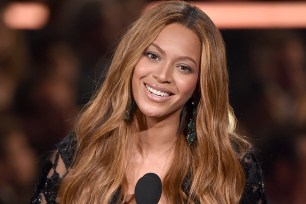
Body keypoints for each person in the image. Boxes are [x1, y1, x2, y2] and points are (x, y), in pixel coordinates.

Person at [31, 1, 266, 203]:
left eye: (183, 67)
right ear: (131, 60)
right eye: (152, 56)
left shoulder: (229, 167)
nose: (162, 76)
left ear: (200, 83)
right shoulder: (79, 156)